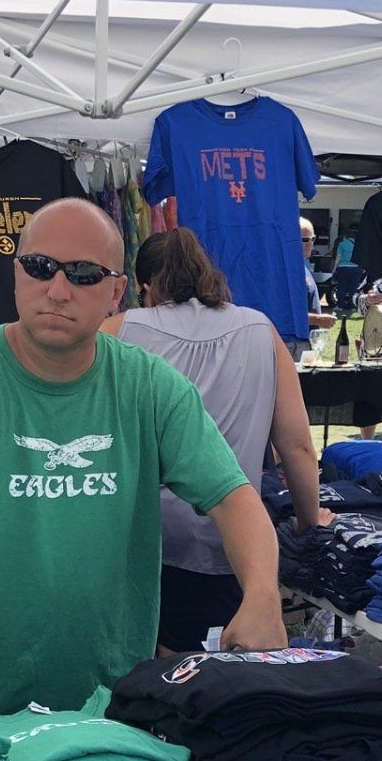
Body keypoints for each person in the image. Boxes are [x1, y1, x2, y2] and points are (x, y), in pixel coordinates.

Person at [0, 197, 288, 713]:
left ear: (117, 292)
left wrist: (262, 594)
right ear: (16, 275)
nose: (57, 290)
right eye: (39, 268)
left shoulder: (150, 387)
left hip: (107, 702)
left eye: (83, 274)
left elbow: (233, 496)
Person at [104, 227, 330, 654]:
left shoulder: (118, 330)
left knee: (140, 671)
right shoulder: (261, 330)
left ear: (145, 285)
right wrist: (307, 519)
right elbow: (297, 445)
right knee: (210, 678)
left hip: (139, 540)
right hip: (231, 540)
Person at [289, 217, 337, 359]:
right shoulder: (288, 271)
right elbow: (286, 314)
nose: (311, 244)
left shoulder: (302, 265)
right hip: (293, 343)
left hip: (305, 341)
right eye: (305, 240)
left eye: (313, 239)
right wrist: (318, 319)